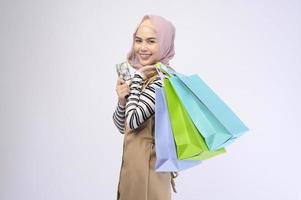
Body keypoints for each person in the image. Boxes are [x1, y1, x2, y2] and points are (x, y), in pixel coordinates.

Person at [112, 14, 177, 200]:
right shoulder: (147, 77)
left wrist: (138, 77)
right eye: (138, 41)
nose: (142, 47)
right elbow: (121, 126)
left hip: (148, 172)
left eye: (151, 41)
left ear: (164, 43)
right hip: (134, 169)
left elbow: (133, 121)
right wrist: (122, 100)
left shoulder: (162, 81)